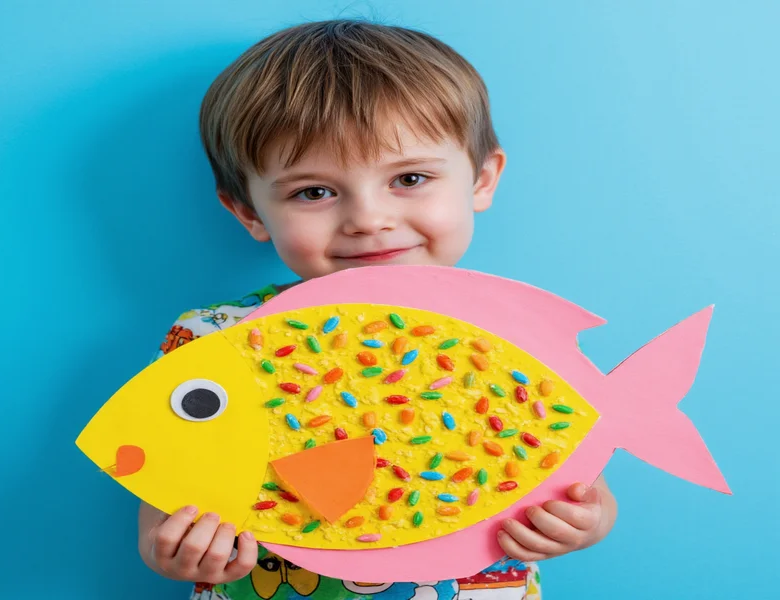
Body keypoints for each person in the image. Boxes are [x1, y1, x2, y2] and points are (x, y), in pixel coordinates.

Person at [138, 19, 617, 600]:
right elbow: (162, 510)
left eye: (409, 178)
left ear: (482, 180)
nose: (368, 218)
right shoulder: (213, 340)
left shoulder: (518, 332)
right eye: (313, 192)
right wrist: (180, 551)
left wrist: (584, 522)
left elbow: (578, 475)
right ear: (249, 213)